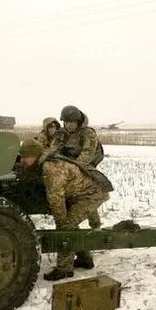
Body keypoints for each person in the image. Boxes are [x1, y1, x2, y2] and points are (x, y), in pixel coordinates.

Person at [19, 138, 110, 281]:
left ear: (36, 155)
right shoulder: (42, 162)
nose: (23, 160)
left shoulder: (51, 168)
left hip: (92, 196)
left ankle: (64, 269)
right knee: (70, 225)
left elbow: (56, 199)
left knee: (66, 226)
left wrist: (60, 224)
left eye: (26, 157)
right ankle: (85, 258)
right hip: (80, 194)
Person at [50, 105, 105, 256]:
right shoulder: (62, 133)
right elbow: (52, 149)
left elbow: (87, 155)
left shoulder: (88, 133)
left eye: (73, 122)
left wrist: (71, 170)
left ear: (78, 121)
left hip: (86, 166)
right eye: (67, 122)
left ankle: (95, 226)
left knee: (87, 194)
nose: (70, 125)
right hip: (70, 165)